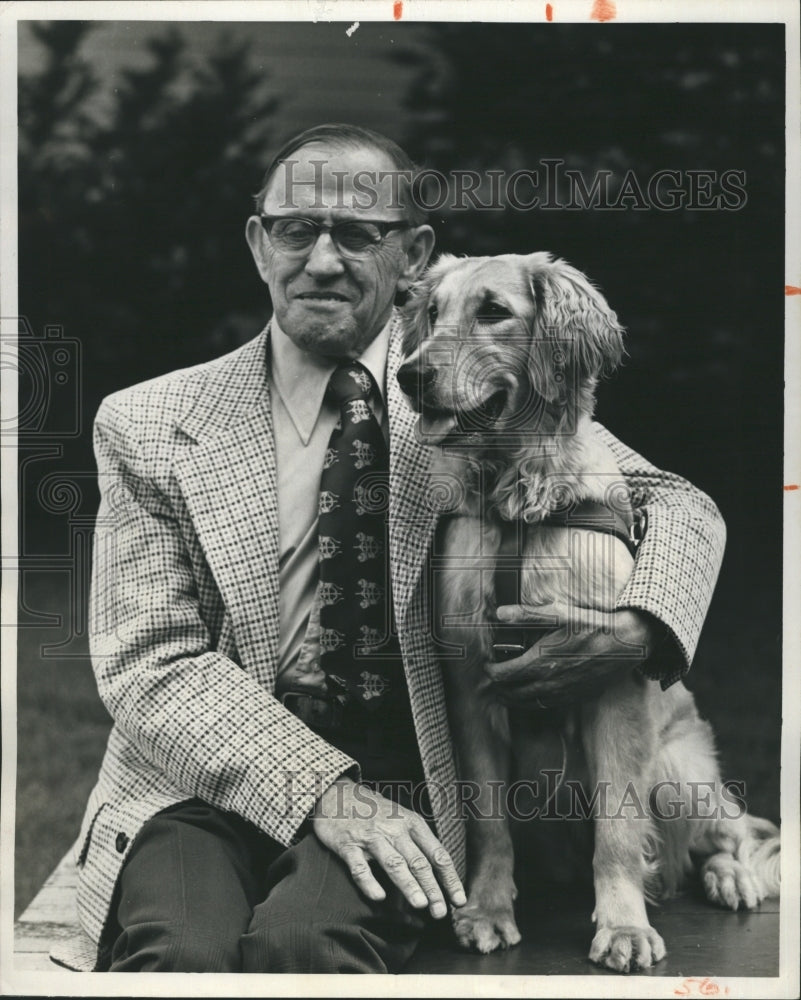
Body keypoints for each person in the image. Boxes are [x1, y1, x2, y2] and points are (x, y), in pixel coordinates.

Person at [60, 124, 725, 973]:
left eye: (358, 234)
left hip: (397, 784)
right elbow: (150, 663)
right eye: (297, 228)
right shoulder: (146, 422)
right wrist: (313, 787)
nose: (324, 260)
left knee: (306, 948)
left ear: (411, 254)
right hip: (196, 781)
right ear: (259, 244)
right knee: (179, 953)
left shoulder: (461, 399)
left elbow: (676, 501)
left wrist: (639, 633)